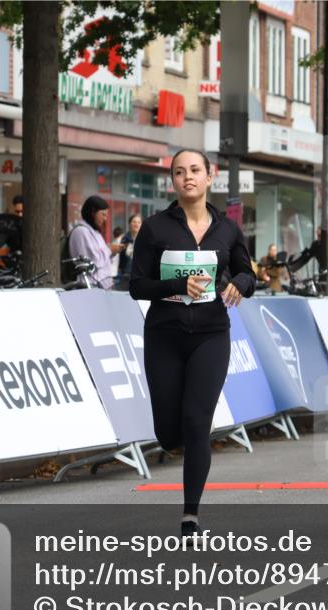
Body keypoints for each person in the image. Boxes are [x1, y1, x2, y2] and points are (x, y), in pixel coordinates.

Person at [129, 149, 256, 539]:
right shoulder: (154, 228)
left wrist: (240, 284)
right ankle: (176, 440)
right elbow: (136, 285)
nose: (188, 177)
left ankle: (190, 515)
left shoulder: (227, 230)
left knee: (197, 420)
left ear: (209, 177)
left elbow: (247, 273)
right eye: (180, 172)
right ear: (173, 181)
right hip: (164, 335)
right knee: (169, 432)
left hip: (210, 334)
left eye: (195, 171)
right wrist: (174, 285)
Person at [69, 196, 116, 289]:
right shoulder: (81, 232)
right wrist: (109, 250)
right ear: (93, 212)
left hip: (101, 285)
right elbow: (92, 261)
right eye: (103, 214)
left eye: (106, 215)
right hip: (91, 285)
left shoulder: (95, 232)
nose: (105, 219)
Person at [116, 214, 141, 289]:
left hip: (140, 274)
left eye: (139, 222)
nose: (136, 224)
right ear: (129, 223)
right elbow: (122, 256)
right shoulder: (125, 238)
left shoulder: (144, 238)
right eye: (134, 222)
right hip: (126, 273)